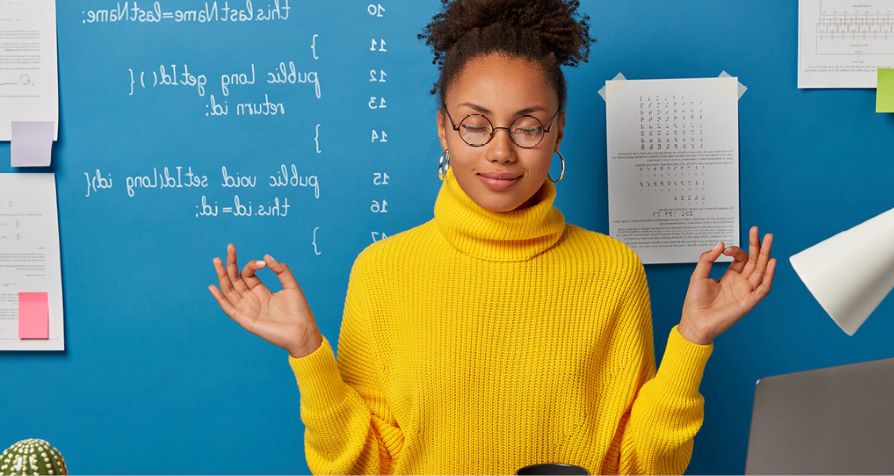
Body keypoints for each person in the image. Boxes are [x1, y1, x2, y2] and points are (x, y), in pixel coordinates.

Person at [207, 0, 776, 474]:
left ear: (557, 134)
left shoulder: (611, 269)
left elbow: (640, 464)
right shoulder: (382, 271)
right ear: (443, 129)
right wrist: (309, 355)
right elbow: (364, 466)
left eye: (528, 126)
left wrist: (693, 339)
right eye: (475, 125)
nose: (501, 150)